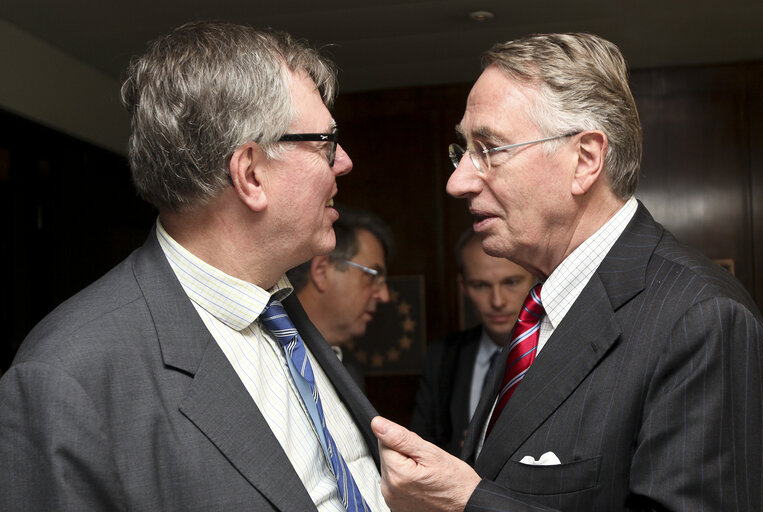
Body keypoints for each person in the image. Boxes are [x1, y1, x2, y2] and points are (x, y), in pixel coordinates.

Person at [371, 32, 763, 511]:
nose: (457, 181)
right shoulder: (540, 310)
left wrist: (467, 503)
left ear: (585, 160)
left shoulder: (701, 320)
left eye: (490, 148)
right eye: (464, 151)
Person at [0, 21, 388, 512]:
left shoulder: (281, 309)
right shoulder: (67, 377)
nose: (345, 162)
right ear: (250, 173)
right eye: (325, 143)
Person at [411, 228, 533, 454]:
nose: (497, 301)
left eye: (511, 282)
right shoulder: (442, 356)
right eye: (481, 285)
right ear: (463, 287)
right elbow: (421, 446)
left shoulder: (559, 349)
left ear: (533, 279)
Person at [288, 206, 393, 389]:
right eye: (373, 276)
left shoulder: (350, 373)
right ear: (321, 272)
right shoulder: (267, 355)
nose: (384, 296)